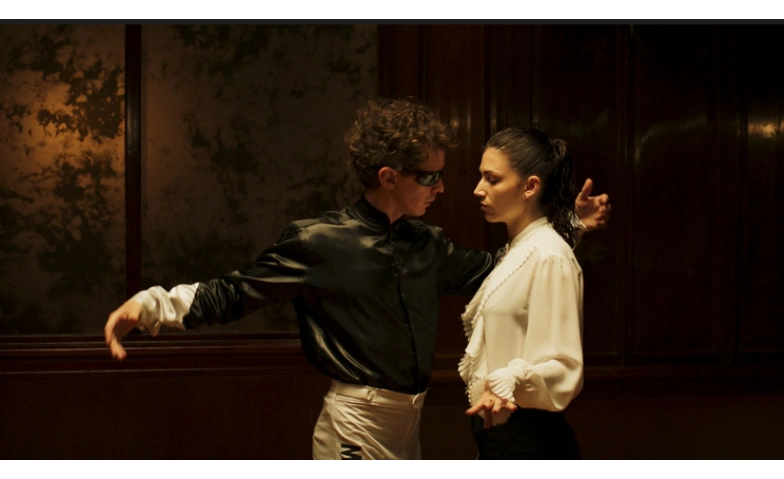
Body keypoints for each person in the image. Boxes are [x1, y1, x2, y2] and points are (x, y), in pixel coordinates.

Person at [104, 98, 610, 461]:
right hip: (354, 422)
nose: (442, 188)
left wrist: (569, 226)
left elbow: (509, 269)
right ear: (389, 177)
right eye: (429, 177)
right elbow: (235, 292)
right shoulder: (319, 241)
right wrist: (149, 306)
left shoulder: (428, 244)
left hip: (410, 425)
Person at [460, 127, 587, 462]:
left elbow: (564, 365)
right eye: (481, 177)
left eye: (492, 179)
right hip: (501, 436)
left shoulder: (550, 255)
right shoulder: (520, 249)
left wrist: (510, 379)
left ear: (530, 186)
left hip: (532, 440)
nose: (478, 189)